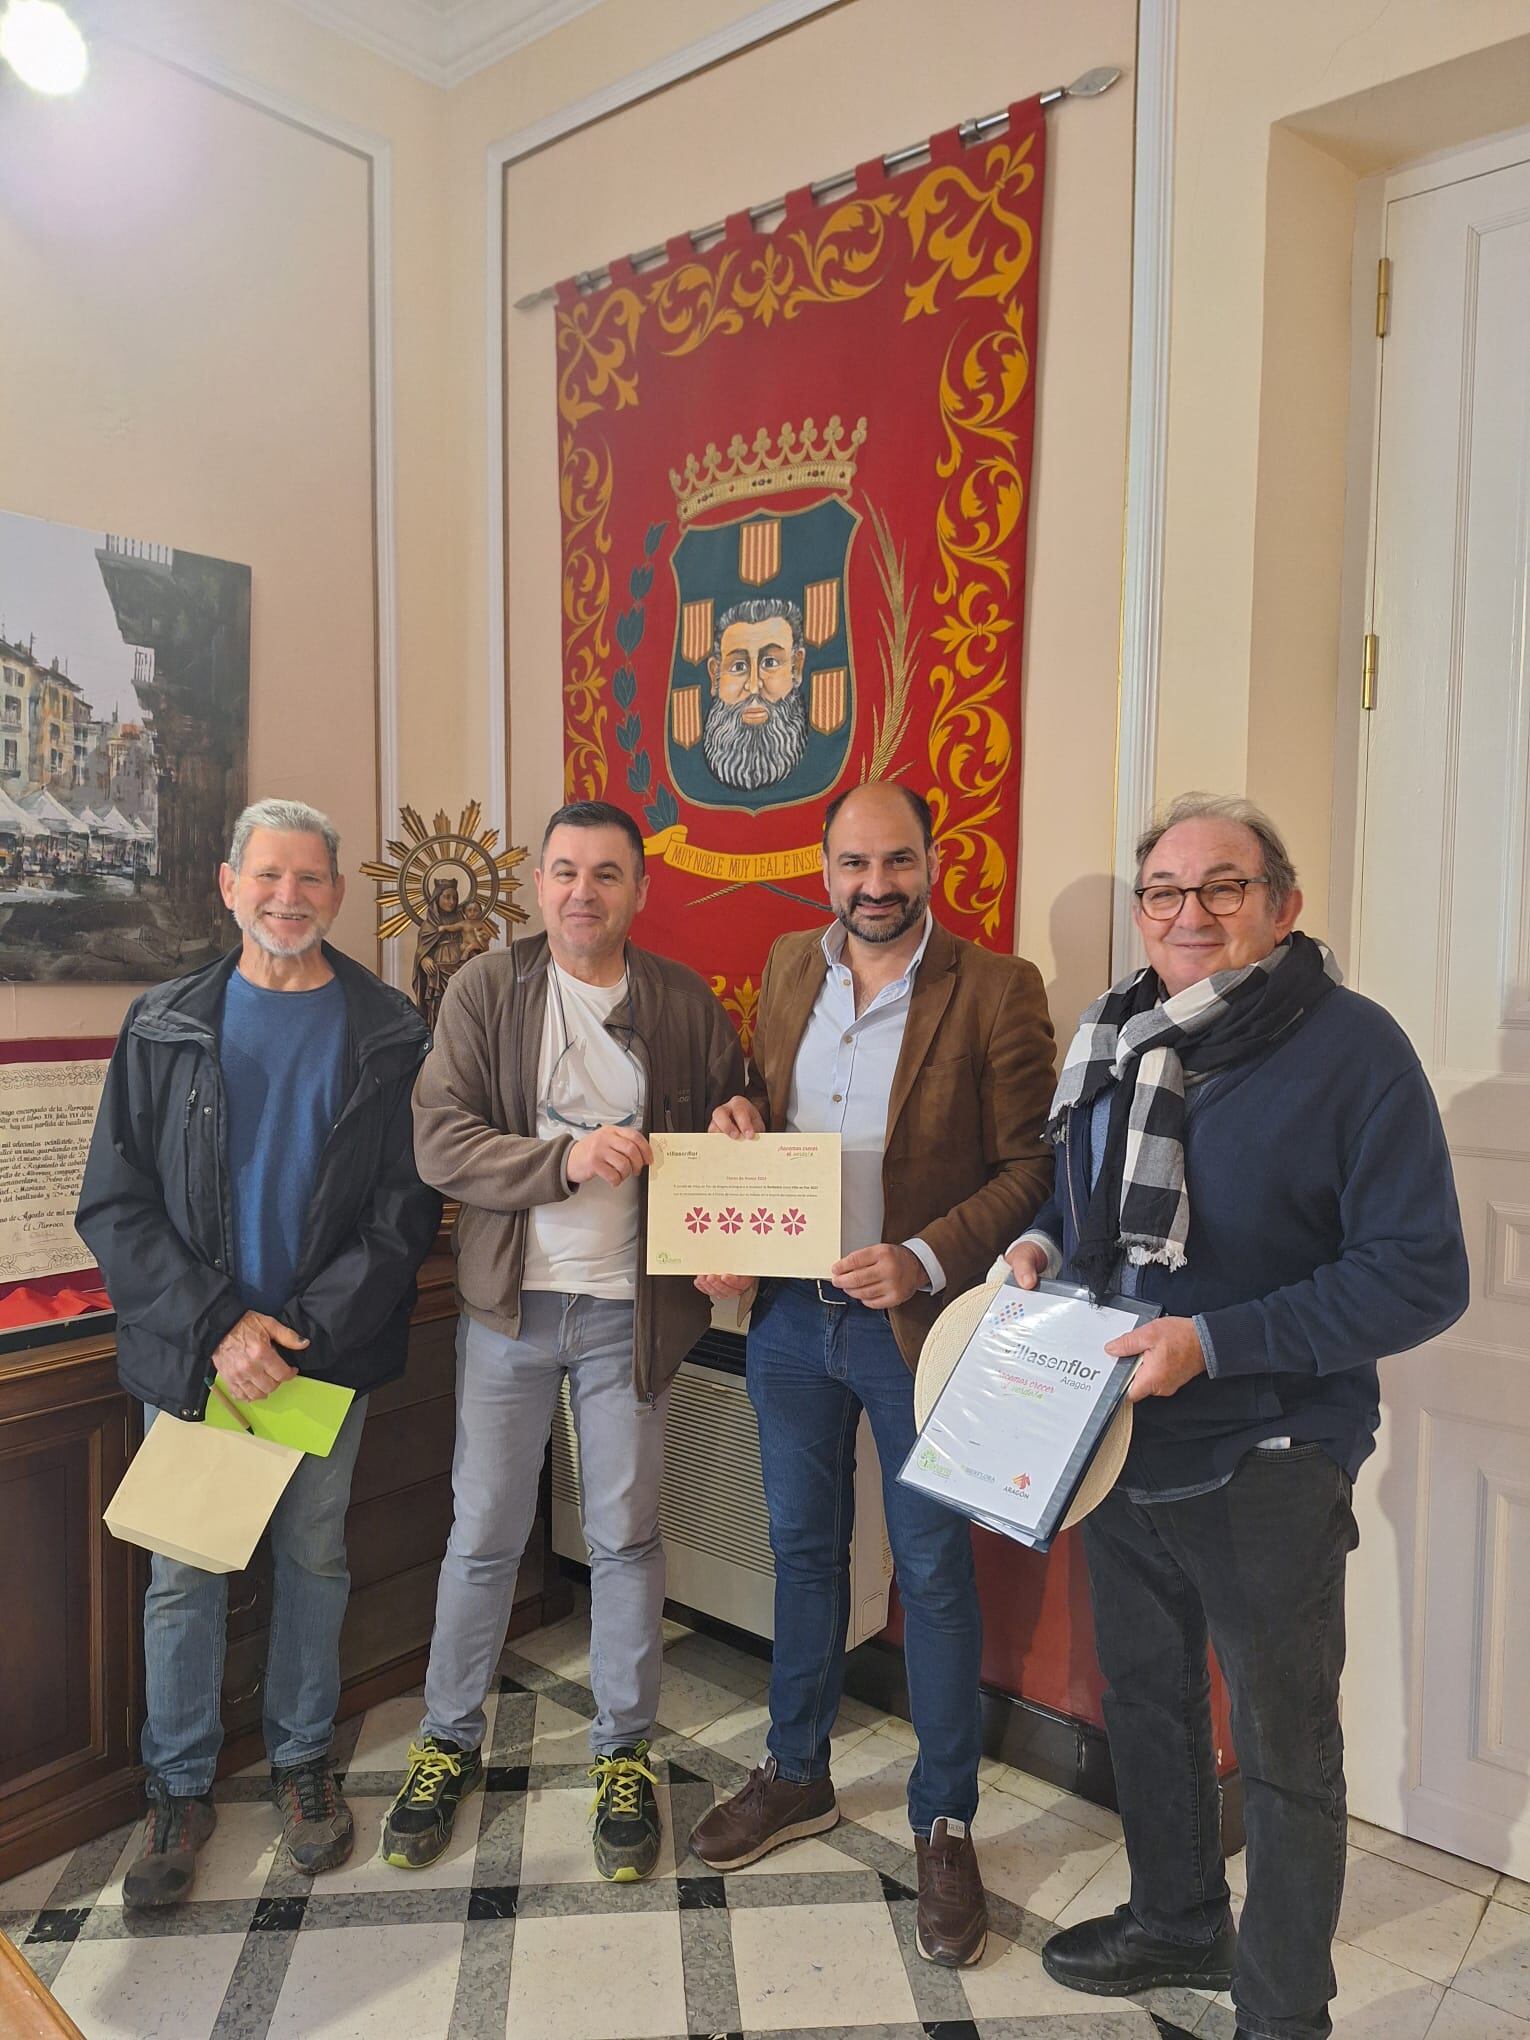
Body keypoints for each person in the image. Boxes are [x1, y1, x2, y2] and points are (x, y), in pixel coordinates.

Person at [1006, 794, 1469, 2040]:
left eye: (1223, 887)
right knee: (1147, 1699)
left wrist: (1213, 1342)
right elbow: (1082, 1192)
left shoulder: (1352, 1049)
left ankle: (1281, 2008)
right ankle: (1175, 1921)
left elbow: (1421, 1274)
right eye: (1165, 889)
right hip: (1117, 1440)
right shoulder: (1118, 1032)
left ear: (1282, 906)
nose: (1189, 913)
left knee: (1285, 1752)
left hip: (1267, 1456)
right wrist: (1049, 1242)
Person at [688, 782, 1056, 1967]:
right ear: (826, 868)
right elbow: (763, 1094)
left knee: (933, 1573)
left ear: (932, 864)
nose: (875, 886)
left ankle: (943, 1819)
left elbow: (1030, 1168)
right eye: (853, 864)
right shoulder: (792, 963)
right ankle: (798, 1772)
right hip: (793, 1319)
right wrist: (739, 1111)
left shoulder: (997, 988)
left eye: (897, 862)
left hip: (918, 1331)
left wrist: (925, 1255)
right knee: (801, 1554)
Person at [76, 797, 442, 1907]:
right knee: (183, 1578)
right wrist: (220, 1328)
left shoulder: (392, 1032)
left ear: (338, 893)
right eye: (268, 877)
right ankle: (177, 1791)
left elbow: (404, 1208)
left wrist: (301, 1336)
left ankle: (300, 1766)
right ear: (228, 886)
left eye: (312, 879)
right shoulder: (162, 1024)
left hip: (320, 1363)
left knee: (315, 1561)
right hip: (196, 1360)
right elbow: (115, 1203)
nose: (290, 897)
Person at [382, 799, 744, 1881]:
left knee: (628, 1536)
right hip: (510, 1308)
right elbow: (440, 1141)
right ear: (537, 884)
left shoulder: (680, 1000)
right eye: (564, 872)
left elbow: (730, 1114)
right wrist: (563, 1164)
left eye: (606, 874)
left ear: (640, 890)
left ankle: (624, 1753)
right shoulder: (488, 990)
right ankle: (448, 1741)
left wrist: (736, 1118)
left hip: (629, 1316)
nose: (582, 892)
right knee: (485, 1530)